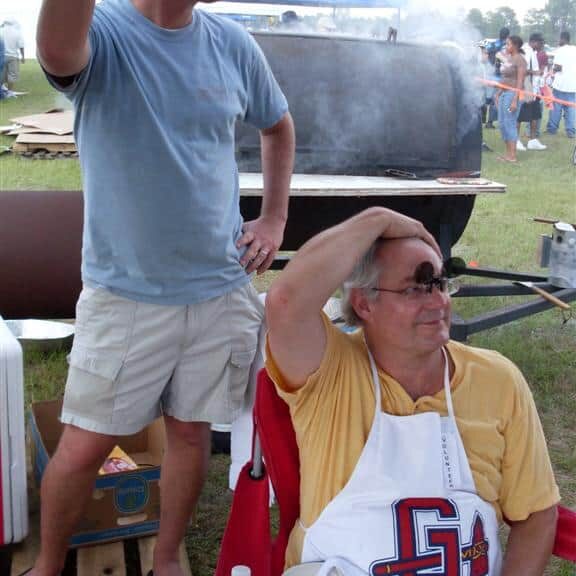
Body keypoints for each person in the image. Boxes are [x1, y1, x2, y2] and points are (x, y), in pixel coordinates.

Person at [34, 0, 295, 575]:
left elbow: (277, 123)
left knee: (190, 433)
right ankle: (49, 566)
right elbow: (57, 50)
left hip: (219, 288)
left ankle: (170, 557)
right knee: (83, 447)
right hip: (125, 294)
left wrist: (274, 218)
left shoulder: (231, 42)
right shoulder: (102, 32)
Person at [266, 207, 560, 575]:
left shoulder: (497, 380)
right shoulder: (329, 372)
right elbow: (285, 300)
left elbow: (536, 515)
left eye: (439, 283)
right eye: (415, 288)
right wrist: (377, 219)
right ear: (363, 303)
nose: (437, 302)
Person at [495, 35, 526, 162]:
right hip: (504, 94)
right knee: (502, 124)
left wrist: (515, 100)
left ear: (516, 46)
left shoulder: (520, 60)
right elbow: (506, 79)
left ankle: (512, 156)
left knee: (509, 123)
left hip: (513, 95)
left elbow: (520, 81)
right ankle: (508, 154)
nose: (506, 46)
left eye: (508, 44)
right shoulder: (509, 58)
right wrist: (498, 93)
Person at [517, 33, 547, 151]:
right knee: (519, 116)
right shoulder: (524, 51)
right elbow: (520, 70)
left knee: (535, 115)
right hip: (525, 87)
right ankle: (516, 140)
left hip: (534, 88)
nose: (542, 45)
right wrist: (536, 72)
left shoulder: (533, 52)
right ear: (534, 41)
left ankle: (533, 140)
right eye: (540, 43)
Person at [546, 31, 576, 139]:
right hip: (573, 86)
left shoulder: (560, 50)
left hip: (561, 85)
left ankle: (552, 129)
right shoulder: (575, 49)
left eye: (559, 39)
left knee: (556, 108)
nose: (558, 41)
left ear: (563, 39)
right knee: (571, 109)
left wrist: (550, 74)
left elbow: (558, 67)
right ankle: (571, 131)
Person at [485, 27, 509, 129]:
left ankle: (487, 121)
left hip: (490, 74)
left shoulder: (492, 44)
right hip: (500, 76)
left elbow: (485, 55)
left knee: (489, 99)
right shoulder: (506, 46)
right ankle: (494, 122)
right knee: (498, 100)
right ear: (508, 35)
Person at [0, 19, 25, 91]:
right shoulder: (17, 32)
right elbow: (21, 45)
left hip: (2, 56)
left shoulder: (1, 30)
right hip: (13, 56)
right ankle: (9, 91)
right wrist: (23, 57)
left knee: (2, 73)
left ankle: (2, 89)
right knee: (12, 74)